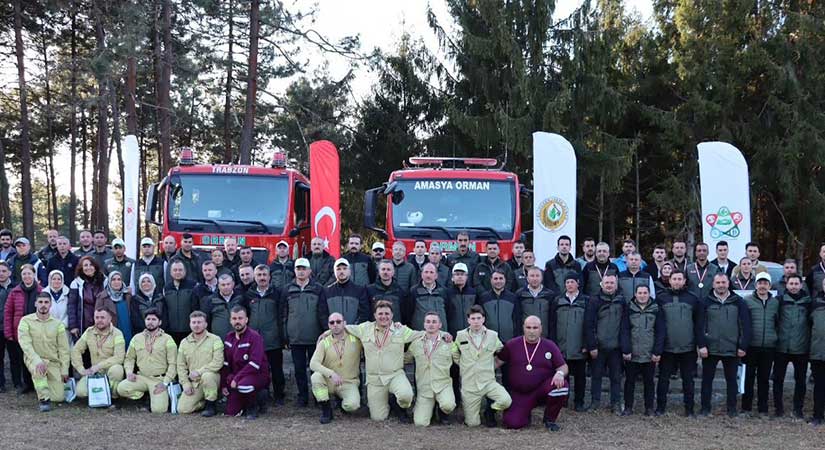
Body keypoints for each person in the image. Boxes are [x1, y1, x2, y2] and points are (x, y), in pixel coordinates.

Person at [342, 300, 425, 422]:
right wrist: (326, 333)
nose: (383, 317)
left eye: (387, 314)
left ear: (392, 315)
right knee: (378, 417)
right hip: (375, 380)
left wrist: (443, 335)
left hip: (395, 375)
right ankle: (390, 402)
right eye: (380, 314)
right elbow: (342, 328)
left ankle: (399, 405)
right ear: (375, 315)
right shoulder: (364, 328)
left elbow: (421, 334)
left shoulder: (401, 330)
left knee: (406, 396)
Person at [497, 316, 569, 431]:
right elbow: (497, 362)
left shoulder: (549, 345)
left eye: (535, 328)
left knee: (561, 386)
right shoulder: (512, 344)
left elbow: (563, 366)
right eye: (528, 327)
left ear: (541, 329)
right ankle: (525, 413)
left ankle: (549, 419)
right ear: (523, 328)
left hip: (541, 390)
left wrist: (560, 373)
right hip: (519, 393)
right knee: (512, 423)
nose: (531, 331)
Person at [700, 273, 751, 417]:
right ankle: (705, 409)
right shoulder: (705, 301)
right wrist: (702, 345)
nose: (721, 285)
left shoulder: (739, 302)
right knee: (706, 381)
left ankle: (732, 410)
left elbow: (745, 325)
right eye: (718, 282)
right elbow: (700, 325)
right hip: (710, 349)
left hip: (732, 348)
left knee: (732, 381)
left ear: (728, 283)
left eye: (723, 282)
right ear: (713, 284)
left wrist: (742, 346)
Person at [452, 305, 512, 427]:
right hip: (469, 384)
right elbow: (454, 352)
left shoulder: (493, 335)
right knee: (473, 424)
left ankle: (490, 410)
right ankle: (473, 415)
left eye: (479, 318)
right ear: (468, 320)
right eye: (473, 318)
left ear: (483, 319)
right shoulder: (460, 335)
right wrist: (463, 365)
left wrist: (493, 365)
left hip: (488, 382)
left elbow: (502, 351)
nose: (476, 321)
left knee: (506, 401)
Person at [655, 269, 703, 416]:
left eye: (679, 279)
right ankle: (660, 408)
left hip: (687, 348)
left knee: (688, 380)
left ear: (684, 281)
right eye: (674, 279)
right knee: (663, 379)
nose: (677, 281)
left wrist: (700, 344)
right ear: (669, 280)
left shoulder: (693, 299)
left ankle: (689, 409)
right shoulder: (660, 298)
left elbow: (699, 324)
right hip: (667, 348)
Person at [283, 258, 328, 407]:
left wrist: (325, 333)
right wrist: (285, 335)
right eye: (298, 269)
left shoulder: (319, 289)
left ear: (309, 271)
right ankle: (302, 397)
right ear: (294, 271)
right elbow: (283, 314)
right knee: (299, 370)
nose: (301, 272)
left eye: (304, 269)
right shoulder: (287, 289)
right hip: (295, 338)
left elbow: (323, 312)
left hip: (315, 338)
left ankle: (318, 397)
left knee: (316, 370)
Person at [117, 308, 177, 413]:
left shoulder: (168, 339)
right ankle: (144, 396)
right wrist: (129, 372)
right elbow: (129, 358)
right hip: (142, 377)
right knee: (121, 388)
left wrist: (165, 383)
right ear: (145, 321)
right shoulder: (136, 338)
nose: (150, 322)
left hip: (159, 380)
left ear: (160, 322)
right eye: (148, 319)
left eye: (154, 319)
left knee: (159, 410)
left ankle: (155, 397)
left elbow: (173, 363)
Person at [17, 293, 70, 412]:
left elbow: (64, 349)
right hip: (34, 359)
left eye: (46, 302)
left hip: (52, 361)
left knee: (58, 397)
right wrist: (37, 361)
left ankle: (45, 388)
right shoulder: (26, 321)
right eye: (40, 302)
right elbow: (25, 344)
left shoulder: (58, 324)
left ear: (50, 305)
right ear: (35, 304)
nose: (43, 305)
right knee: (39, 370)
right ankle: (44, 399)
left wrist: (64, 369)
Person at [620, 285, 665, 416]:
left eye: (645, 293)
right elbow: (624, 330)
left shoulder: (656, 309)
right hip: (632, 353)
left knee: (649, 382)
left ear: (649, 294)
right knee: (629, 381)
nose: (642, 295)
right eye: (640, 293)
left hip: (649, 353)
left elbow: (661, 331)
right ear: (635, 294)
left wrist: (657, 351)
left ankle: (649, 408)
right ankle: (628, 407)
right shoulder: (629, 308)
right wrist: (626, 349)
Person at [310, 312, 363, 423]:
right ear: (328, 325)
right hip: (329, 380)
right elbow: (313, 363)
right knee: (316, 377)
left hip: (348, 382)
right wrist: (331, 374)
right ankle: (326, 409)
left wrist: (396, 326)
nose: (335, 324)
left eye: (338, 322)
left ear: (345, 323)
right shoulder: (324, 342)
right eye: (332, 322)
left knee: (352, 405)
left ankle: (341, 402)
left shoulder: (356, 340)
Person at [406, 312, 455, 426]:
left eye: (434, 322)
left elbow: (459, 358)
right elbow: (405, 359)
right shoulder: (416, 343)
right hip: (425, 387)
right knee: (420, 423)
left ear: (440, 325)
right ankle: (429, 409)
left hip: (442, 385)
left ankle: (442, 411)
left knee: (448, 405)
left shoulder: (448, 342)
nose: (431, 324)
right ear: (424, 325)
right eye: (428, 322)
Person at [585, 273, 626, 413]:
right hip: (599, 347)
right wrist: (592, 345)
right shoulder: (594, 300)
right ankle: (594, 402)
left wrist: (624, 346)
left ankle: (615, 403)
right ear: (602, 284)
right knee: (596, 376)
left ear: (616, 285)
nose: (609, 285)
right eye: (607, 283)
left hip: (616, 347)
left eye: (612, 283)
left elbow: (625, 325)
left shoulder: (622, 301)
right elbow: (589, 324)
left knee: (616, 377)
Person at [246, 264, 285, 406]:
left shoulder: (277, 293)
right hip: (255, 340)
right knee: (260, 369)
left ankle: (279, 395)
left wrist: (281, 335)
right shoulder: (249, 295)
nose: (262, 278)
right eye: (259, 275)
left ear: (269, 277)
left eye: (264, 275)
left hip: (273, 338)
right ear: (254, 277)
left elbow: (281, 315)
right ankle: (264, 394)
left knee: (276, 369)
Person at [221, 306, 270, 419]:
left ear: (246, 320)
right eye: (234, 318)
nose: (237, 321)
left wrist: (236, 379)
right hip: (237, 377)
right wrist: (223, 384)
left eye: (240, 318)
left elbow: (254, 364)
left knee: (244, 385)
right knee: (231, 412)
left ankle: (254, 405)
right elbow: (226, 363)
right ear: (230, 320)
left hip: (256, 374)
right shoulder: (229, 337)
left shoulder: (254, 337)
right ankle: (243, 401)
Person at [773, 273, 811, 418]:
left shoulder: (808, 302)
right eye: (791, 284)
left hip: (801, 348)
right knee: (778, 380)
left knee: (800, 381)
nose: (794, 286)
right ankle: (778, 408)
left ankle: (798, 409)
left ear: (801, 285)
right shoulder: (779, 301)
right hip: (782, 347)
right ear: (786, 285)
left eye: (796, 284)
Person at [549, 273, 589, 411]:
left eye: (572, 282)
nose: (569, 285)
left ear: (578, 283)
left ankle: (579, 402)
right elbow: (552, 323)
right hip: (562, 346)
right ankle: (563, 400)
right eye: (567, 282)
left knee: (580, 377)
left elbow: (589, 324)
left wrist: (586, 343)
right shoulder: (557, 300)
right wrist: (553, 343)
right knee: (563, 375)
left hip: (579, 346)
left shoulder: (586, 301)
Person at [741, 271, 779, 416]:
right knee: (748, 378)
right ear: (755, 285)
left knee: (764, 379)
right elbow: (742, 323)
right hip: (751, 346)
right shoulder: (747, 301)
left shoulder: (775, 302)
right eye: (760, 283)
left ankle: (763, 408)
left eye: (765, 283)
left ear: (769, 285)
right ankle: (746, 407)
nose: (762, 286)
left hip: (768, 347)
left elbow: (778, 322)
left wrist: (775, 338)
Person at [176, 311, 224, 416]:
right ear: (190, 324)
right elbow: (180, 366)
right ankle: (203, 403)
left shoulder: (215, 339)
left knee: (207, 376)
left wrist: (199, 372)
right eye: (193, 322)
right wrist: (185, 383)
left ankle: (211, 406)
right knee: (182, 409)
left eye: (199, 322)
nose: (196, 325)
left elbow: (218, 362)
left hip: (212, 379)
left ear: (206, 324)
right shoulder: (184, 342)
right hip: (195, 383)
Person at [72, 308, 126, 399]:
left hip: (109, 370)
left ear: (110, 319)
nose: (99, 320)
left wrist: (99, 366)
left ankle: (113, 396)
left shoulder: (117, 333)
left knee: (117, 370)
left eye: (102, 317)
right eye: (97, 317)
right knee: (80, 392)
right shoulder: (89, 332)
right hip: (94, 372)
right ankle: (98, 395)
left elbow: (119, 357)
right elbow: (76, 350)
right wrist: (81, 369)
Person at [4, 264, 42, 393]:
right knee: (21, 358)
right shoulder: (14, 292)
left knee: (35, 357)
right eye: (24, 274)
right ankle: (25, 383)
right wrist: (9, 332)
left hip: (37, 330)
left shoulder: (41, 291)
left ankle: (36, 383)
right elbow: (8, 312)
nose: (26, 276)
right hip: (19, 331)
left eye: (29, 273)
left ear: (34, 275)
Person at [478, 270, 520, 347]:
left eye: (501, 278)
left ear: (505, 280)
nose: (498, 281)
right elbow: (480, 319)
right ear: (491, 280)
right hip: (488, 341)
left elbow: (517, 320)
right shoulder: (483, 298)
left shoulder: (512, 298)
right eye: (495, 278)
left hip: (509, 340)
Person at [68, 256, 106, 337]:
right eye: (85, 265)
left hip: (101, 321)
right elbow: (72, 306)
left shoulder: (104, 281)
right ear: (81, 268)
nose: (88, 267)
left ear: (95, 267)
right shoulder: (76, 283)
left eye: (91, 265)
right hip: (84, 323)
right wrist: (73, 326)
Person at [325, 258, 370, 325]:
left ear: (349, 271)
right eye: (338, 269)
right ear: (334, 272)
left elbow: (364, 313)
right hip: (334, 330)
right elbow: (324, 314)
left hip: (354, 330)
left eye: (344, 268)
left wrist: (354, 328)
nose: (341, 271)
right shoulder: (327, 292)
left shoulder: (360, 291)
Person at [163, 260, 197, 344]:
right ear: (171, 272)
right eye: (175, 270)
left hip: (189, 330)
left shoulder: (193, 286)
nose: (177, 272)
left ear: (185, 271)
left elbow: (196, 308)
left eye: (180, 270)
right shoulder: (166, 288)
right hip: (171, 331)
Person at [203, 274, 246, 340]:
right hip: (218, 340)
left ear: (233, 284)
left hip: (239, 339)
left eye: (228, 284)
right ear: (218, 286)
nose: (226, 287)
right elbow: (207, 320)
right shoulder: (210, 300)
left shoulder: (241, 298)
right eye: (223, 285)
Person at [96, 271, 132, 346]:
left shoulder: (127, 296)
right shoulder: (102, 297)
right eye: (113, 279)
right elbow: (98, 318)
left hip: (127, 332)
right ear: (109, 282)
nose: (116, 282)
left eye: (119, 279)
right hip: (109, 335)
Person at [409, 263, 449, 330]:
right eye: (426, 272)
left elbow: (448, 312)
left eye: (431, 272)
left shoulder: (444, 291)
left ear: (436, 275)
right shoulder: (413, 291)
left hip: (440, 332)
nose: (428, 275)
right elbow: (408, 313)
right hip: (420, 332)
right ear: (422, 274)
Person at [516, 266, 554, 336]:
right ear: (527, 278)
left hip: (544, 336)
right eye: (532, 276)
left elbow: (552, 319)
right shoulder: (520, 294)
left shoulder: (550, 295)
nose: (535, 278)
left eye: (537, 276)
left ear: (542, 278)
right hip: (525, 335)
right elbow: (517, 317)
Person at [0, 261, 19, 393]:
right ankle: (1, 383)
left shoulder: (16, 288)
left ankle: (17, 382)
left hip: (13, 328)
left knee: (15, 357)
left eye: (4, 271)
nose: (1, 274)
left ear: (9, 273)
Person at [446, 263, 477, 337]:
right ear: (452, 277)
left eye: (462, 274)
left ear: (467, 277)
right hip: (452, 334)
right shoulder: (447, 293)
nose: (460, 276)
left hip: (471, 334)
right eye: (457, 274)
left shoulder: (474, 293)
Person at [810, 278, 825, 426]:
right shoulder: (814, 303)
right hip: (818, 352)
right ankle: (817, 415)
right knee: (819, 386)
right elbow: (808, 326)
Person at [46, 271, 71, 345]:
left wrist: (62, 324)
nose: (56, 281)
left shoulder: (68, 293)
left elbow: (71, 311)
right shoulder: (44, 293)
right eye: (54, 279)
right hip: (49, 329)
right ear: (50, 280)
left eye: (59, 279)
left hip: (65, 329)